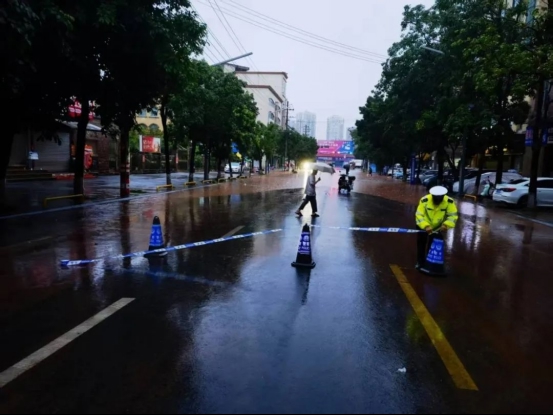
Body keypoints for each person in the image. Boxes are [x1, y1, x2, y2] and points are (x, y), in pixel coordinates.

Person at [415, 186, 458, 270]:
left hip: (437, 228)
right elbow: (419, 215)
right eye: (436, 198)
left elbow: (453, 216)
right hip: (423, 225)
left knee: (432, 244)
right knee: (421, 244)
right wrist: (425, 226)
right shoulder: (425, 200)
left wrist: (446, 225)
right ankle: (420, 262)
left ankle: (429, 262)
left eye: (440, 198)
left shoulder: (449, 202)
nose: (438, 200)